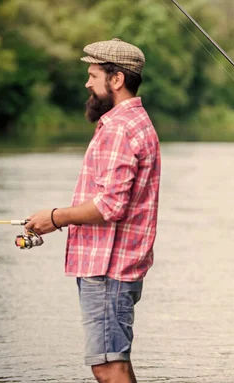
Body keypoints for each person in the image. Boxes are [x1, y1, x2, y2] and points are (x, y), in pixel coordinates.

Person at [25, 38, 160, 383]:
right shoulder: (136, 122)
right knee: (115, 359)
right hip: (117, 266)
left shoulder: (119, 128)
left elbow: (110, 205)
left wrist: (54, 218)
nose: (87, 83)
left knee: (107, 365)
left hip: (107, 268)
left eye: (93, 74)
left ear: (116, 80)